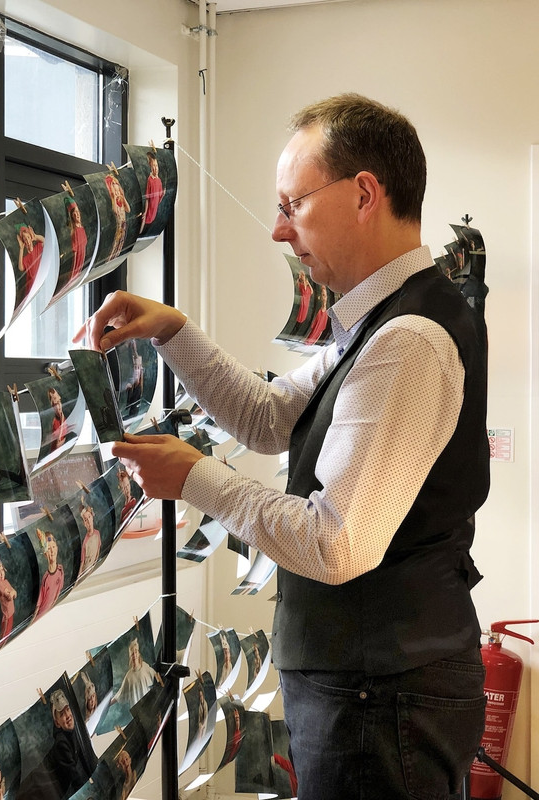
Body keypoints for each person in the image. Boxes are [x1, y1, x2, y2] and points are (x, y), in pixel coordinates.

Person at [76, 94, 489, 800]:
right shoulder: (380, 322)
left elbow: (336, 544)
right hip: (367, 689)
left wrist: (197, 479)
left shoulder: (405, 341)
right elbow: (268, 418)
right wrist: (174, 332)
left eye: (291, 205)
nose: (276, 230)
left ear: (363, 194)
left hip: (380, 697)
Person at [110, 638, 157, 709]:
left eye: (136, 652)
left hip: (149, 708)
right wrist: (107, 705)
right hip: (137, 713)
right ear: (130, 657)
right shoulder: (129, 676)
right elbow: (119, 695)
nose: (134, 655)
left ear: (138, 653)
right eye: (132, 653)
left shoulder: (145, 667)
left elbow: (157, 677)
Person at [34, 531, 64, 620]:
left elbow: (58, 593)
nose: (52, 551)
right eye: (49, 549)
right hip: (41, 615)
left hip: (51, 612)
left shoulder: (60, 570)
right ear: (45, 554)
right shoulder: (45, 579)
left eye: (53, 547)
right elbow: (38, 606)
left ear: (57, 548)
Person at [0, 554, 17, 643]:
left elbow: (15, 593)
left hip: (11, 613)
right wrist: (12, 593)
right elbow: (9, 596)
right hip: (7, 616)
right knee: (4, 638)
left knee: (8, 635)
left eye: (2, 570)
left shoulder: (6, 581)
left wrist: (12, 592)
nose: (1, 574)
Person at [105, 174, 130, 261]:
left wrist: (123, 198)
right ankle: (111, 258)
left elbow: (128, 209)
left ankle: (116, 257)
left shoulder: (122, 201)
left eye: (118, 190)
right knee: (116, 243)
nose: (117, 193)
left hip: (124, 225)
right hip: (118, 227)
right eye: (115, 191)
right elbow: (115, 211)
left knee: (121, 243)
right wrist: (114, 197)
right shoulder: (115, 202)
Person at [139, 151, 165, 232]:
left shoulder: (159, 180)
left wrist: (163, 194)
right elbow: (147, 197)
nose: (155, 168)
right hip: (149, 208)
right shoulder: (150, 180)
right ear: (150, 167)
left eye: (156, 166)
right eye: (153, 166)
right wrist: (146, 211)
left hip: (154, 209)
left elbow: (159, 200)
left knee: (150, 222)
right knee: (144, 219)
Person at [64, 196, 88, 283]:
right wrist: (73, 271)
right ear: (72, 216)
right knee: (74, 279)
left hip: (82, 260)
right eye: (74, 213)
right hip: (77, 261)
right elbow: (75, 252)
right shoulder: (74, 231)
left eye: (78, 212)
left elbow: (84, 247)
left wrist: (82, 266)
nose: (77, 215)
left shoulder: (82, 228)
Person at [16, 223, 44, 295]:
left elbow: (44, 241)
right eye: (25, 239)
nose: (27, 241)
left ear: (31, 238)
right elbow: (21, 268)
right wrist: (21, 249)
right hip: (31, 288)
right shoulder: (26, 258)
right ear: (23, 242)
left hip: (41, 283)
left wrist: (35, 236)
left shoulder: (38, 248)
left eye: (28, 237)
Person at [78, 496, 101, 578]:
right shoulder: (85, 541)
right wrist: (79, 577)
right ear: (84, 523)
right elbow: (82, 562)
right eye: (85, 520)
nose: (88, 521)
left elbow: (98, 550)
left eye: (89, 517)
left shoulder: (97, 534)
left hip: (93, 568)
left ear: (92, 517)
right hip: (86, 570)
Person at [46, 387, 68, 453]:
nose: (59, 406)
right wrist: (66, 440)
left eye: (59, 402)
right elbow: (57, 447)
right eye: (56, 404)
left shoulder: (64, 418)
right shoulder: (55, 423)